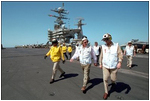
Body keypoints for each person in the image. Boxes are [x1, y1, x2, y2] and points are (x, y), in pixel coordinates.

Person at [99, 33, 123, 100]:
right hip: (105, 65)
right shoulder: (103, 46)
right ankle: (106, 92)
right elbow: (101, 56)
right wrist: (100, 63)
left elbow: (120, 54)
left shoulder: (116, 45)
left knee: (113, 79)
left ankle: (113, 82)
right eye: (104, 40)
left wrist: (120, 62)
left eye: (107, 39)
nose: (106, 41)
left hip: (113, 65)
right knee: (105, 79)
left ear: (110, 38)